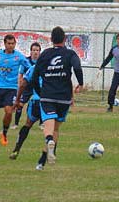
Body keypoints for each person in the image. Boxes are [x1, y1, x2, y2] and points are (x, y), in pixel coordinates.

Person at [32, 26, 83, 167]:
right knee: (55, 129)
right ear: (65, 39)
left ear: (51, 39)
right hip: (64, 98)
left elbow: (35, 76)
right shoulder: (70, 54)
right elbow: (77, 67)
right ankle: (42, 161)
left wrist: (40, 92)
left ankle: (49, 142)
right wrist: (81, 83)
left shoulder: (45, 54)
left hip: (47, 96)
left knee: (49, 127)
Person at [0, 34, 26, 146]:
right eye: (9, 43)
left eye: (13, 43)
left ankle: (4, 133)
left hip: (11, 88)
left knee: (8, 111)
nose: (11, 45)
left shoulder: (19, 57)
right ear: (5, 43)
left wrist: (27, 78)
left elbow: (28, 66)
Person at [9, 64, 43, 162]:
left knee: (28, 124)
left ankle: (16, 149)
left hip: (36, 101)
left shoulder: (34, 67)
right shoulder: (54, 68)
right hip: (50, 102)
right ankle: (49, 152)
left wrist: (18, 99)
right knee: (52, 128)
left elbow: (23, 83)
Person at [11, 42, 41, 130]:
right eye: (34, 50)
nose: (35, 52)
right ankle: (16, 124)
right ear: (30, 51)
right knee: (20, 104)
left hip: (38, 87)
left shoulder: (42, 62)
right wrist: (19, 84)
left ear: (40, 52)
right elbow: (20, 74)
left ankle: (41, 124)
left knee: (42, 104)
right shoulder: (26, 61)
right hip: (27, 86)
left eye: (37, 50)